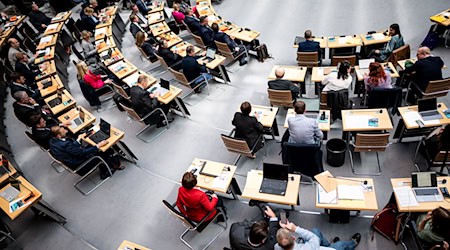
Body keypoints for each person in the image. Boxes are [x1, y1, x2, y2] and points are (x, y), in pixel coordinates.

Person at [49, 125, 124, 179]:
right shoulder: (65, 144)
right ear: (58, 136)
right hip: (81, 165)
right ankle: (107, 171)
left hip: (74, 160)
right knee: (102, 151)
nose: (65, 131)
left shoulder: (52, 141)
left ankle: (109, 162)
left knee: (91, 147)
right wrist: (98, 145)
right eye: (63, 132)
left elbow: (72, 150)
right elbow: (81, 153)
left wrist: (79, 139)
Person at [275, 220, 360, 250]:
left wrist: (284, 233)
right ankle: (353, 243)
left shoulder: (277, 247)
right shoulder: (308, 248)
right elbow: (314, 238)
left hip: (305, 245)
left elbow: (284, 241)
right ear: (293, 238)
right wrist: (295, 229)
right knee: (340, 245)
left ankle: (329, 245)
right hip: (313, 247)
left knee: (315, 231)